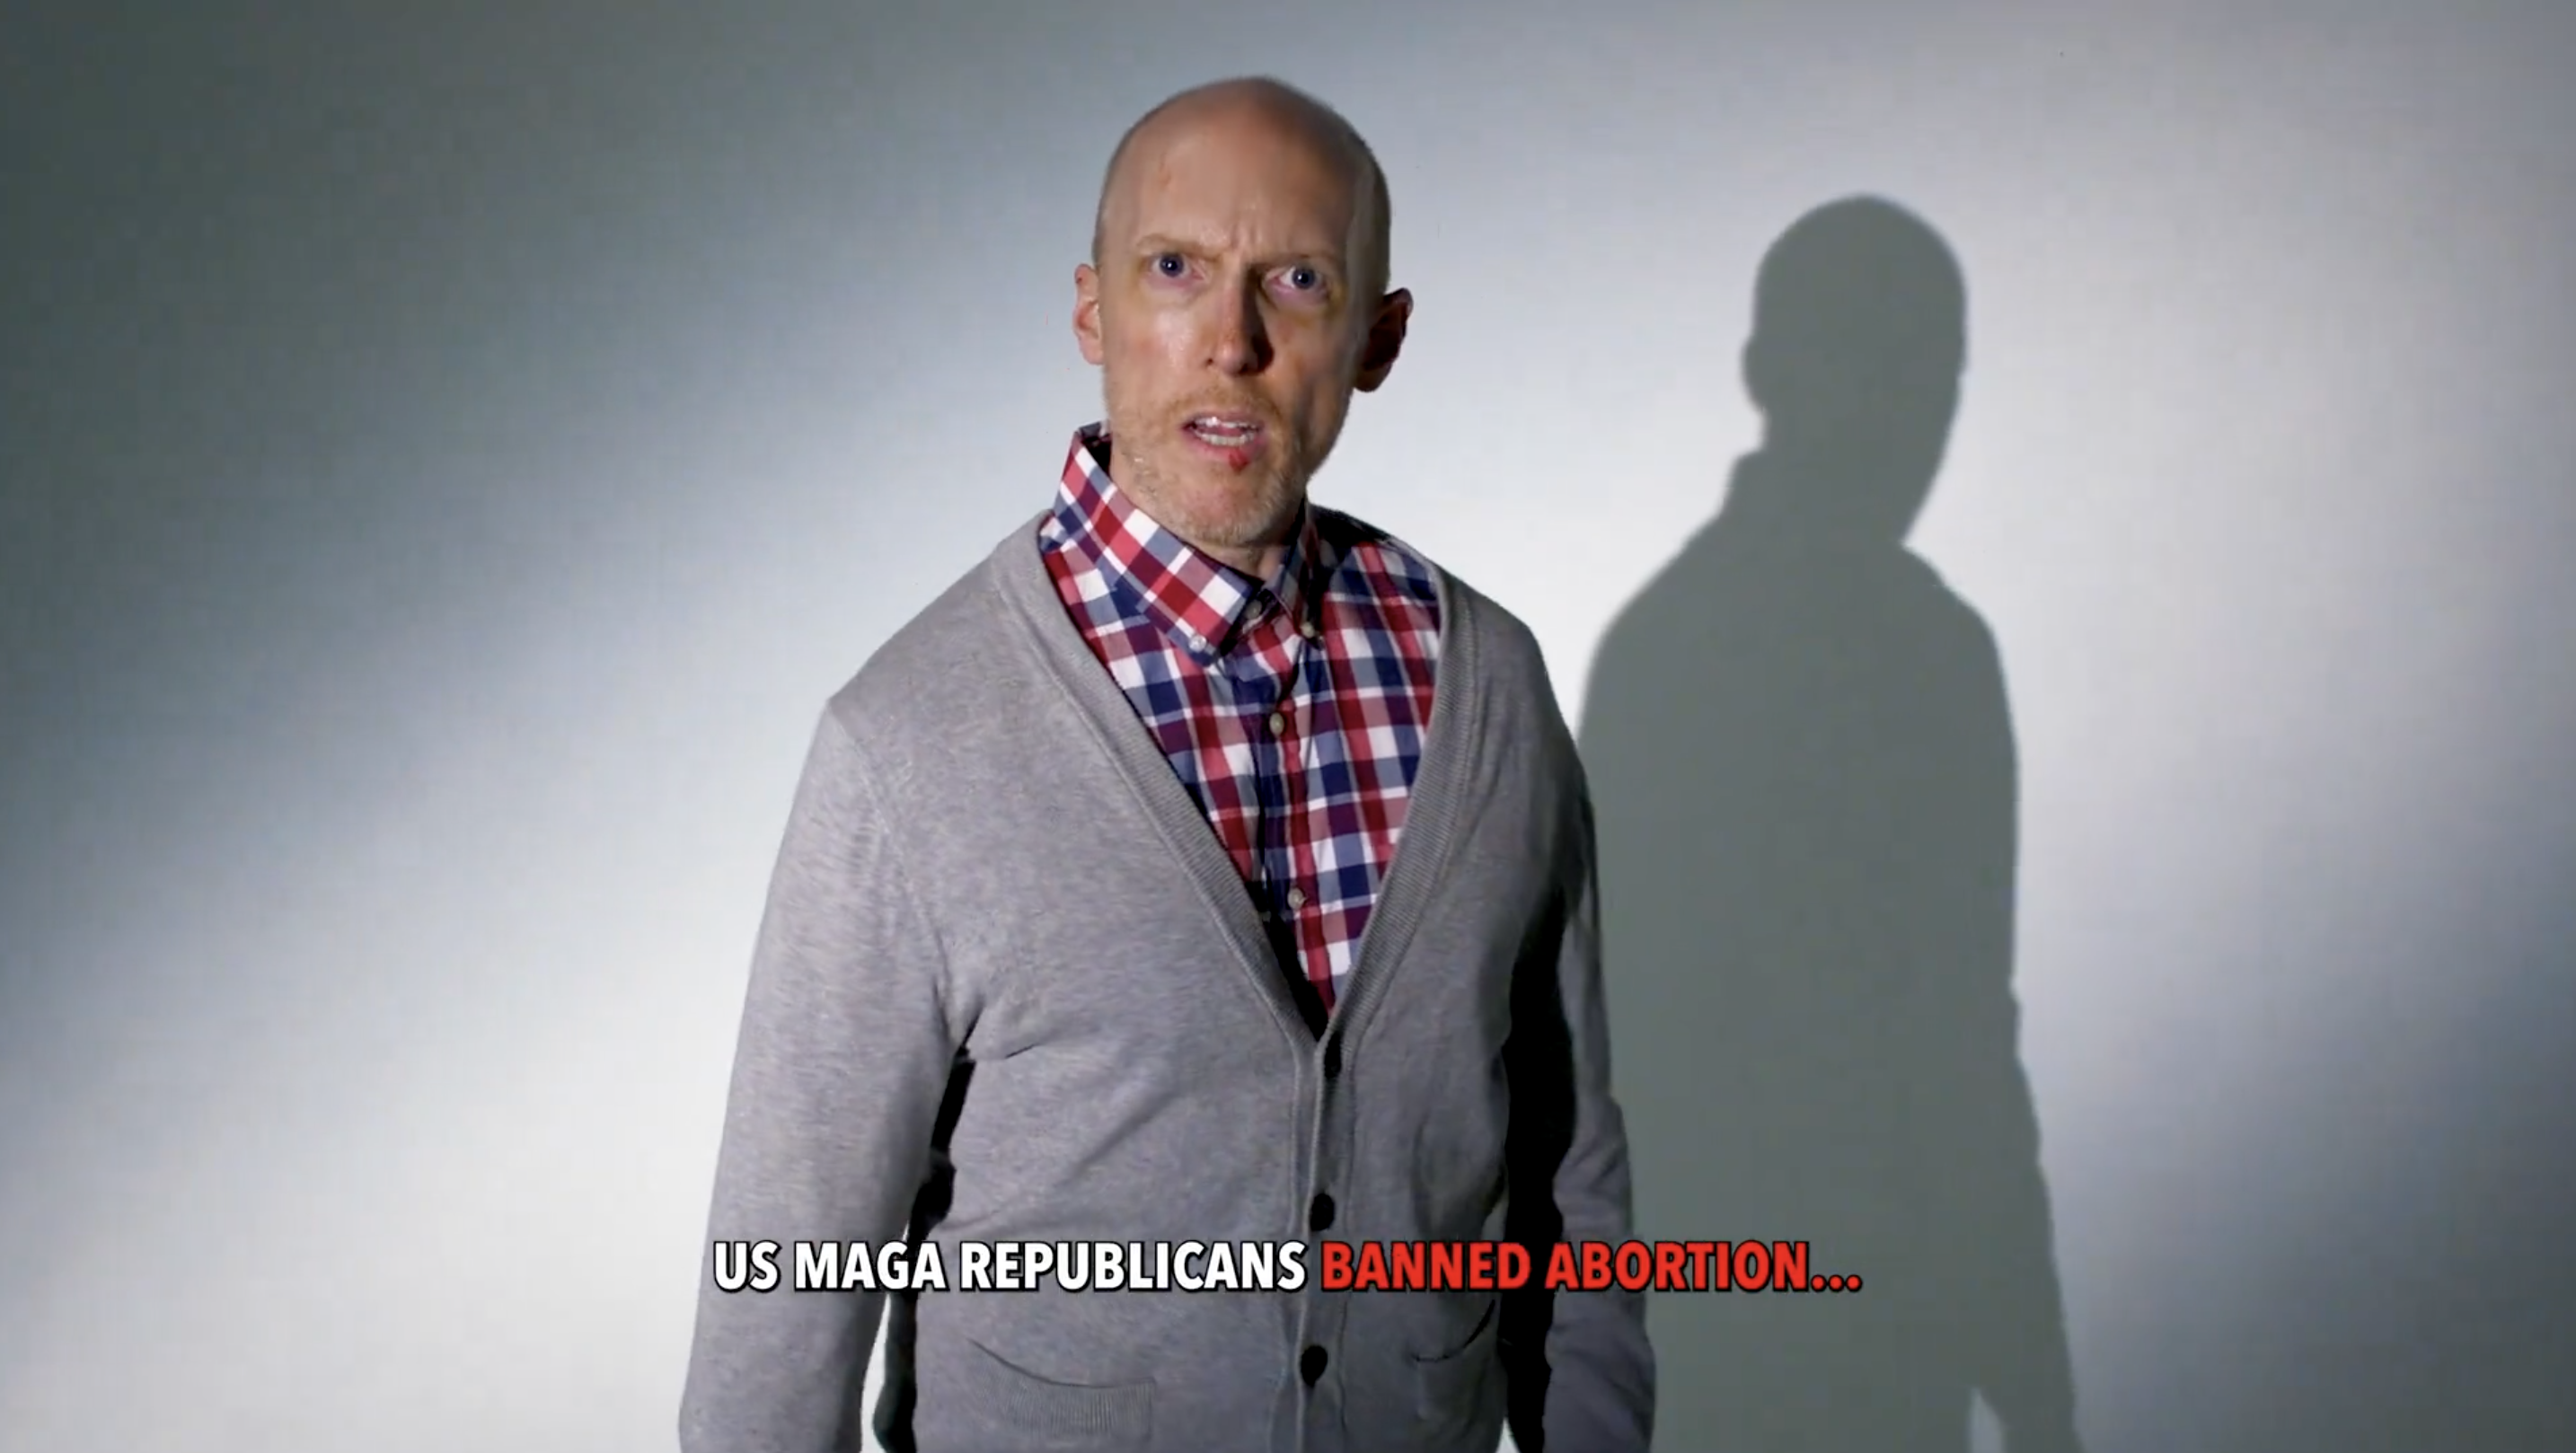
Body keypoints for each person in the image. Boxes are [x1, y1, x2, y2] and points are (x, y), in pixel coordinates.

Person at [676, 75, 1653, 1453]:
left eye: (1299, 280)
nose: (1232, 341)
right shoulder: (910, 742)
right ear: (1094, 312)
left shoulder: (1489, 680)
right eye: (1177, 269)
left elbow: (1569, 1172)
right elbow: (781, 1308)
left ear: (1378, 337)